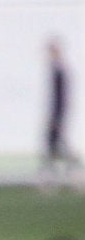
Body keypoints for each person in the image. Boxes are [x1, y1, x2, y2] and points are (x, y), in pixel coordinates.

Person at [40, 37, 83, 192]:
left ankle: (67, 177)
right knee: (56, 146)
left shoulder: (59, 71)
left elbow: (60, 97)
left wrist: (56, 118)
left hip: (58, 114)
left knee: (57, 146)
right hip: (57, 113)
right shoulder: (56, 70)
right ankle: (60, 177)